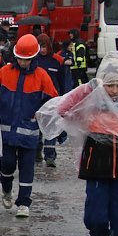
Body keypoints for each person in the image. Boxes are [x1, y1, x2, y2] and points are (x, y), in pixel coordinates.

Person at [38, 52, 118, 236]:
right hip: (96, 166)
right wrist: (90, 86)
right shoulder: (94, 102)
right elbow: (64, 109)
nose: (114, 90)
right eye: (110, 85)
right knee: (94, 219)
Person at [0, 34, 59, 218]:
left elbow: (52, 102)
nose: (23, 62)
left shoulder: (42, 76)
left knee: (27, 169)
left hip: (29, 133)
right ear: (15, 55)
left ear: (33, 57)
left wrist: (56, 123)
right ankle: (6, 189)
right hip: (6, 133)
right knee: (7, 165)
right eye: (20, 58)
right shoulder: (5, 72)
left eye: (26, 59)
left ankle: (24, 203)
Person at [34, 34, 72, 167]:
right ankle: (37, 152)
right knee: (37, 128)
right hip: (36, 98)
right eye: (39, 47)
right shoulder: (34, 60)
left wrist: (63, 98)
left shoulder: (57, 60)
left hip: (52, 99)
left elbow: (63, 81)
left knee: (51, 127)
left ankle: (50, 156)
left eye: (44, 46)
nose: (42, 50)